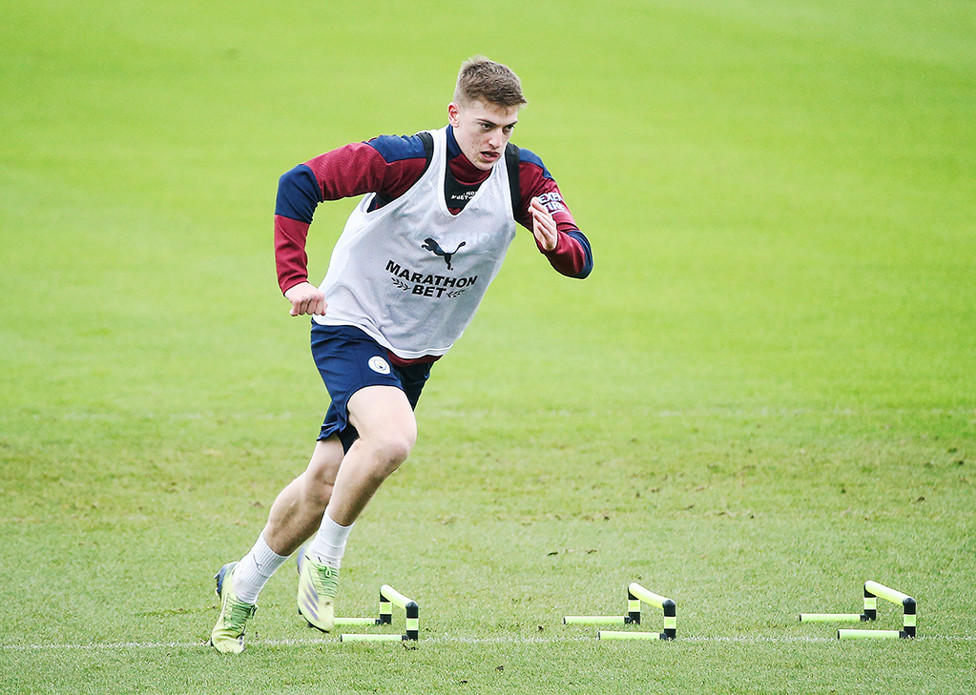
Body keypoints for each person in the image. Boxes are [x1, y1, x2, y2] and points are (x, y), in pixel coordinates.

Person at [210, 56, 594, 653]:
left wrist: (557, 248)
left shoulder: (523, 177)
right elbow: (300, 182)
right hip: (350, 325)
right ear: (454, 114)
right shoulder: (403, 158)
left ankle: (242, 585)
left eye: (508, 128)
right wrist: (294, 281)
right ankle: (327, 561)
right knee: (391, 440)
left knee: (324, 482)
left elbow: (580, 253)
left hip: (417, 354)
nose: (497, 141)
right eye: (485, 125)